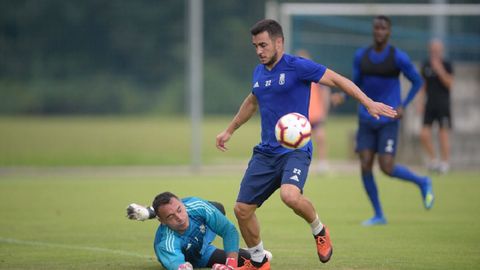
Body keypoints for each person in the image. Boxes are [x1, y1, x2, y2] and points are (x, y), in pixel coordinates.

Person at [215, 19, 397, 269]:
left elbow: (337, 79)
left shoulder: (297, 66)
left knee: (289, 196)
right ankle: (258, 261)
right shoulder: (259, 72)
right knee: (242, 209)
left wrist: (367, 102)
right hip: (266, 153)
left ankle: (319, 229)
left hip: (295, 151)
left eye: (263, 45)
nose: (259, 51)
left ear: (279, 42)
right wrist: (229, 130)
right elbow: (252, 102)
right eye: (255, 46)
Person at [348, 15, 434, 226]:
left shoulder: (398, 57)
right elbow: (356, 82)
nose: (379, 31)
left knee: (386, 167)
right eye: (376, 28)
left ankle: (422, 181)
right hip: (366, 118)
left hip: (388, 120)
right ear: (373, 31)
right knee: (365, 164)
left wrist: (403, 104)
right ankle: (379, 214)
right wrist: (343, 94)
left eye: (383, 28)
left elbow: (417, 81)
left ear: (389, 32)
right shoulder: (362, 56)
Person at [126, 192, 272, 270]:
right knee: (247, 257)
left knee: (218, 208)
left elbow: (229, 230)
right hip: (195, 257)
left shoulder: (195, 206)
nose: (180, 218)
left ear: (183, 204)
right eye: (171, 216)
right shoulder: (167, 242)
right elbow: (177, 265)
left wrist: (230, 266)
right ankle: (154, 211)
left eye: (180, 210)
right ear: (162, 221)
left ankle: (152, 211)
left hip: (201, 240)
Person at [418, 39, 454, 174]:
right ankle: (434, 160)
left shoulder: (447, 64)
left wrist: (439, 70)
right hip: (430, 104)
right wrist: (420, 102)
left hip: (443, 104)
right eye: (433, 50)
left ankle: (445, 163)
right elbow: (423, 85)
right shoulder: (426, 65)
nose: (435, 52)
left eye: (437, 50)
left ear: (441, 51)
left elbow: (450, 84)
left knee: (443, 134)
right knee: (424, 134)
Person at [296, 49, 332, 174]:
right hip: (301, 115)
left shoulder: (315, 75)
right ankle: (299, 165)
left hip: (315, 114)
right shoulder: (295, 77)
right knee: (298, 142)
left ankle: (322, 163)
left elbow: (325, 92)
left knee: (320, 138)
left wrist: (324, 110)